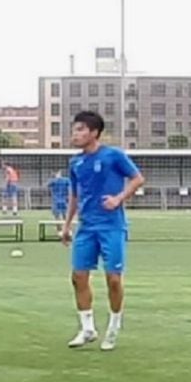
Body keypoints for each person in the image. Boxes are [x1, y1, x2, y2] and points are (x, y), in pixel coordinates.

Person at [61, 111, 145, 352]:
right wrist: (67, 225)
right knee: (78, 277)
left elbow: (138, 179)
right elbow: (74, 195)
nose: (75, 135)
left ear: (94, 132)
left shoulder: (113, 156)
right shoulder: (75, 162)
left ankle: (114, 326)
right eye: (74, 129)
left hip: (112, 226)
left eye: (80, 130)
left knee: (114, 280)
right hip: (86, 227)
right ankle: (87, 328)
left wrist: (118, 198)